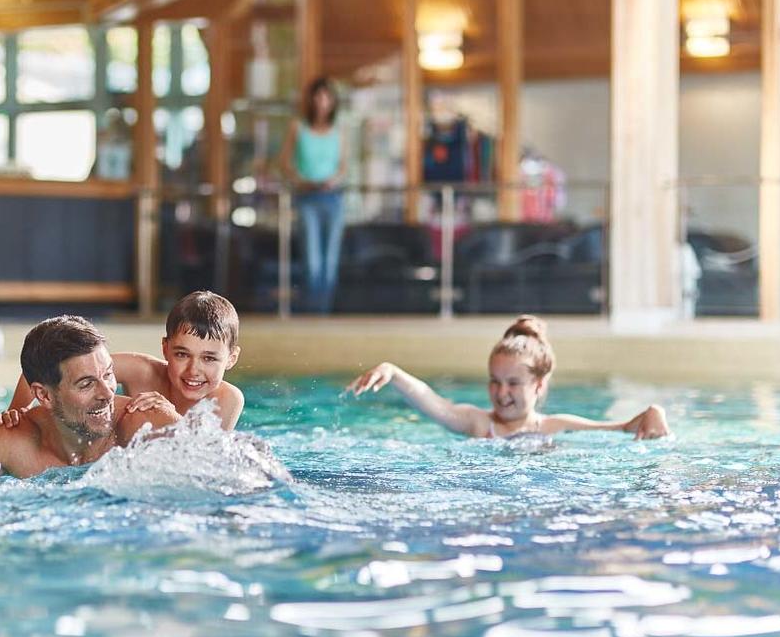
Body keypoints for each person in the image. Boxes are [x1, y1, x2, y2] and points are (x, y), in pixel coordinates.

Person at [0, 316, 180, 483]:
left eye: (109, 374)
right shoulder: (14, 442)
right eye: (86, 383)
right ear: (44, 395)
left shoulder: (146, 424)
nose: (107, 393)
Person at [346, 315, 670, 440]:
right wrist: (393, 372)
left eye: (513, 383)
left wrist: (654, 411)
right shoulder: (477, 423)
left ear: (539, 385)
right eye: (495, 381)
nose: (501, 393)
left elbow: (620, 430)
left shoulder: (555, 426)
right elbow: (434, 402)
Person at [0, 291, 245, 432]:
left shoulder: (227, 399)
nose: (194, 370)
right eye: (182, 354)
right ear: (165, 349)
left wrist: (168, 416)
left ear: (231, 358)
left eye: (209, 358)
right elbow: (52, 366)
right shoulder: (142, 371)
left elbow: (204, 462)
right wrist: (18, 411)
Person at [279, 76, 349, 313]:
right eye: (317, 96)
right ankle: (311, 312)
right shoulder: (297, 127)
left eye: (326, 96)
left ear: (332, 101)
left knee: (330, 261)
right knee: (312, 260)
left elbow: (343, 166)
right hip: (307, 198)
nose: (322, 101)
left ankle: (324, 312)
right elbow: (285, 163)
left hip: (333, 198)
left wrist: (333, 180)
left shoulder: (339, 131)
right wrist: (301, 181)